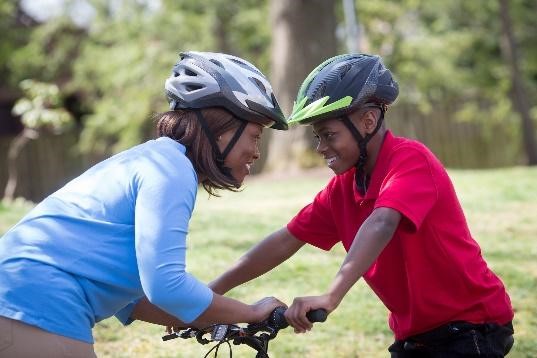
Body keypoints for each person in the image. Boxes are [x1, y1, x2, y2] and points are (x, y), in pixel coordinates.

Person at [209, 54, 515, 357]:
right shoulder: (343, 188)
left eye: (329, 135)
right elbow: (286, 239)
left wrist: (331, 295)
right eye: (318, 136)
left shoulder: (410, 161)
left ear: (368, 121)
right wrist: (209, 294)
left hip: (472, 327)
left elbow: (382, 222)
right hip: (416, 336)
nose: (320, 147)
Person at [0, 51, 288, 357]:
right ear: (221, 128)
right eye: (255, 135)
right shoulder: (171, 171)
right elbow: (167, 286)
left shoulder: (155, 160)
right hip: (36, 299)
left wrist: (207, 317)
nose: (256, 152)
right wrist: (252, 311)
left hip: (18, 292)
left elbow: (132, 299)